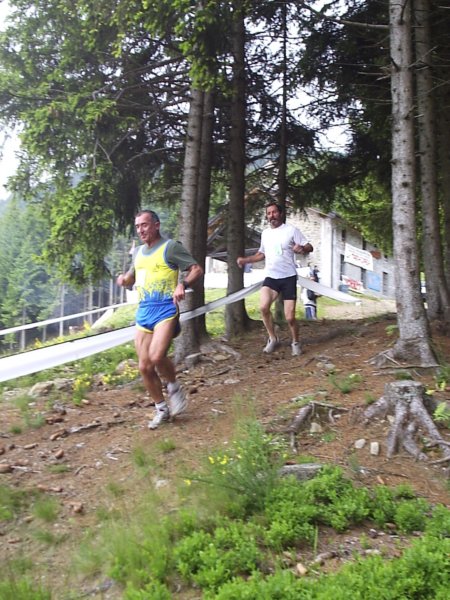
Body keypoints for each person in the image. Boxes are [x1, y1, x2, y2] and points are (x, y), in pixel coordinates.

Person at [117, 209, 203, 429]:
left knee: (156, 356)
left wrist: (183, 284)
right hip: (144, 312)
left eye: (144, 225)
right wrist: (125, 280)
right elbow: (132, 277)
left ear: (156, 225)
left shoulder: (170, 247)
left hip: (166, 309)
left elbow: (196, 269)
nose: (141, 230)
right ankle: (162, 410)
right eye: (137, 226)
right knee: (144, 367)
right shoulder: (138, 252)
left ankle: (174, 387)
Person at [237, 202, 313, 356]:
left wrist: (302, 248)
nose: (272, 216)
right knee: (263, 307)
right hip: (271, 277)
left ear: (281, 214)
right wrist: (246, 260)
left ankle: (295, 342)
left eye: (274, 212)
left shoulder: (291, 230)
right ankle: (273, 338)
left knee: (290, 317)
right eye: (269, 213)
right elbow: (261, 254)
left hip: (288, 277)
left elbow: (309, 247)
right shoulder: (265, 234)